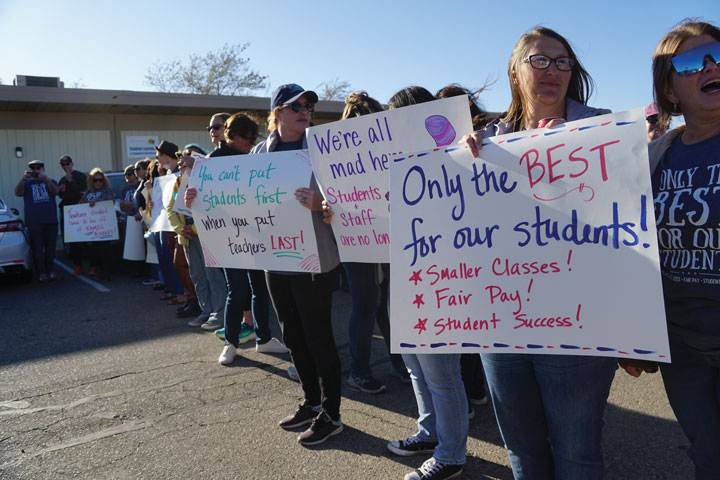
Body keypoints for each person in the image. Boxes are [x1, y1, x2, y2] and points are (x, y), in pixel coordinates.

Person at [463, 27, 616, 480]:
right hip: (502, 326)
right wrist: (458, 163)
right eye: (540, 60)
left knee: (576, 452)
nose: (553, 71)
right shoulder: (485, 141)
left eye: (562, 62)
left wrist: (576, 148)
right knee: (523, 452)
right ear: (515, 70)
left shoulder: (604, 129)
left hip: (577, 324)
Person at [622, 20, 720, 479]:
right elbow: (624, 243)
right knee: (708, 455)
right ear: (670, 90)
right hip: (682, 345)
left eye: (718, 57)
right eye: (689, 62)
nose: (710, 66)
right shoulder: (654, 154)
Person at [382, 86, 467, 480]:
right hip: (404, 276)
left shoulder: (455, 157)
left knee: (442, 373)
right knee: (416, 365)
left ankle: (451, 455)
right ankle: (430, 432)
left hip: (441, 278)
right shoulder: (390, 164)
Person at [254, 83, 343, 446]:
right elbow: (242, 197)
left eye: (308, 106)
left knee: (319, 336)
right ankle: (310, 401)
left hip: (315, 259)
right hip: (275, 257)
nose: (305, 111)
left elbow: (346, 196)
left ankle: (332, 413)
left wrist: (320, 203)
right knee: (292, 334)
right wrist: (197, 199)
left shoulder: (320, 150)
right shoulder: (261, 151)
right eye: (296, 106)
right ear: (277, 114)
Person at [336, 91, 409, 393]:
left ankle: (395, 363)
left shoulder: (373, 147)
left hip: (377, 232)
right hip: (358, 233)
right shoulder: (337, 153)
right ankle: (362, 369)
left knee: (381, 303)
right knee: (371, 303)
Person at [169, 143, 225, 324]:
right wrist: (181, 230)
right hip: (187, 237)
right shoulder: (178, 182)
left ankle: (220, 313)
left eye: (190, 157)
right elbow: (171, 210)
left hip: (206, 234)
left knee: (213, 276)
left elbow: (215, 208)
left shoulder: (209, 181)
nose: (184, 161)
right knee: (197, 276)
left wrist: (193, 229)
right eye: (183, 157)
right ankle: (206, 311)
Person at [14, 160, 59, 283]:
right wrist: (24, 179)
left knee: (50, 249)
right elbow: (17, 192)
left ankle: (51, 271)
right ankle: (41, 273)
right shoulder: (27, 183)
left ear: (43, 169)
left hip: (50, 221)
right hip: (34, 222)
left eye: (38, 168)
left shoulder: (51, 181)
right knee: (38, 249)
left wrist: (46, 180)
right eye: (33, 168)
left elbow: (56, 192)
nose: (36, 170)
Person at [81, 168, 115, 281]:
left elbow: (109, 202)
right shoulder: (88, 192)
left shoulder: (107, 191)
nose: (98, 182)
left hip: (104, 227)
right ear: (91, 181)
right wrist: (83, 202)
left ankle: (106, 273)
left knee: (105, 251)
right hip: (91, 227)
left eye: (100, 180)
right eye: (95, 180)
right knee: (94, 252)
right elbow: (81, 206)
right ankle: (98, 271)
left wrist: (96, 203)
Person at [57, 155, 87, 276]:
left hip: (80, 212)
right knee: (72, 241)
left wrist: (71, 181)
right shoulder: (62, 180)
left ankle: (94, 266)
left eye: (67, 164)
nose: (66, 167)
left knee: (86, 240)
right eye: (63, 165)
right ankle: (78, 265)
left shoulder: (80, 176)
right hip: (68, 213)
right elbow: (61, 195)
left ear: (72, 163)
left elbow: (82, 191)